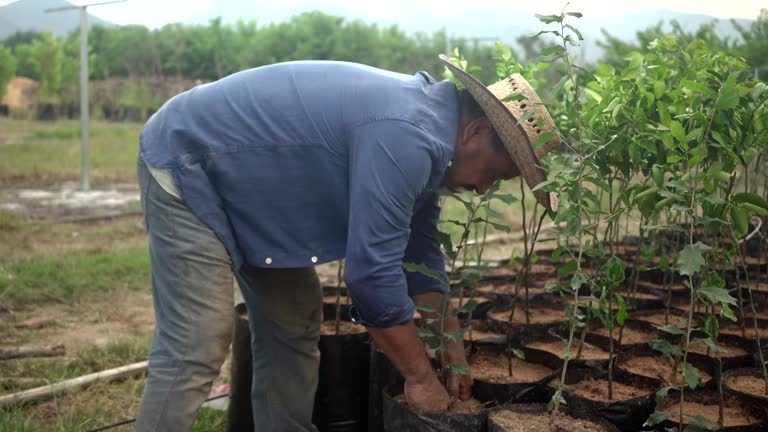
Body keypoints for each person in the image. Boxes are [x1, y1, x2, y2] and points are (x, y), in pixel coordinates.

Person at [134, 53, 559, 431]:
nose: (485, 189)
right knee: (197, 344)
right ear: (476, 131)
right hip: (192, 161)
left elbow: (419, 253)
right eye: (495, 175)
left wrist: (452, 346)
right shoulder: (408, 134)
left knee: (294, 320)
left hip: (255, 193)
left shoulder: (431, 134)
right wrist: (421, 379)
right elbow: (372, 277)